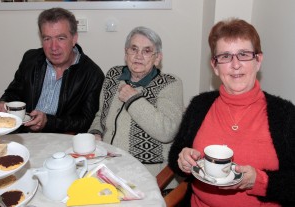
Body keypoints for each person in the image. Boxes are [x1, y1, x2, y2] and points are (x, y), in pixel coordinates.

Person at [168, 18, 295, 206]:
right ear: (215, 66)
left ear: (258, 60)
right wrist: (183, 161)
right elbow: (175, 155)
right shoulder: (199, 105)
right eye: (225, 56)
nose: (235, 65)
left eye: (243, 54)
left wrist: (259, 181)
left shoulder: (285, 115)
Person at [89, 26, 184, 176]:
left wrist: (134, 99)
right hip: (106, 164)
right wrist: (95, 133)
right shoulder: (113, 75)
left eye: (146, 51)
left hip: (146, 172)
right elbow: (101, 114)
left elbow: (167, 131)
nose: (138, 56)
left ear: (157, 58)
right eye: (134, 49)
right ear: (126, 53)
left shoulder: (169, 84)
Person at [0, 8, 104, 133]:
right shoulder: (30, 60)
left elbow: (86, 121)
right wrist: (3, 103)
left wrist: (48, 122)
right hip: (24, 136)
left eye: (61, 38)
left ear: (74, 38)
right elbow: (14, 92)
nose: (53, 47)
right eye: (47, 39)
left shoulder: (92, 75)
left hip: (62, 142)